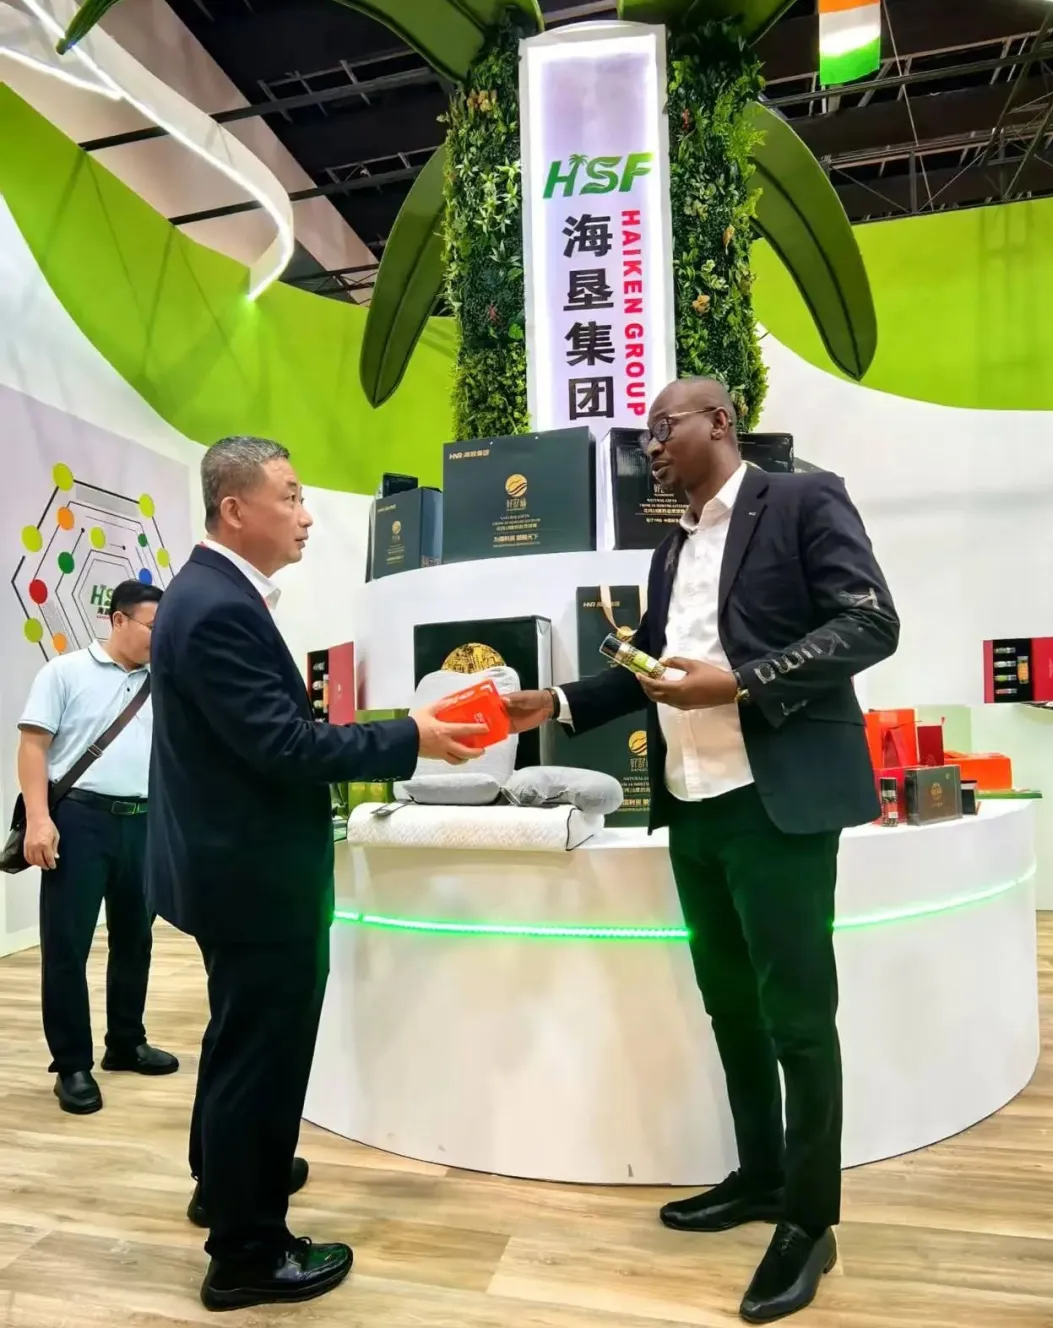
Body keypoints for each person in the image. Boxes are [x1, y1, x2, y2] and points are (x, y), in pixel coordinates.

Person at [505, 378, 899, 1325]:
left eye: (663, 427)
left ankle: (810, 1220)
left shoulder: (803, 499)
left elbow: (871, 621)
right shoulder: (671, 546)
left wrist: (744, 681)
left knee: (798, 1019)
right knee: (732, 1009)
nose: (650, 446)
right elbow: (646, 658)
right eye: (645, 433)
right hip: (691, 806)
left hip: (777, 804)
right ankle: (761, 1176)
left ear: (719, 422)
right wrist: (557, 703)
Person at [148, 436, 484, 1313]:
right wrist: (413, 736)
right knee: (262, 1058)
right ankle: (248, 1254)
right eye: (291, 497)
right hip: (256, 881)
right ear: (235, 509)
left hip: (234, 871)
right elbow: (285, 745)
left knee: (239, 1042)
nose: (306, 516)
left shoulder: (208, 594)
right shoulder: (217, 607)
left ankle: (226, 1183)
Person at [17, 579, 178, 1116]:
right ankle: (71, 1065)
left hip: (145, 822)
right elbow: (33, 747)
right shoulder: (64, 673)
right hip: (79, 821)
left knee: (135, 939)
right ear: (118, 620)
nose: (161, 637)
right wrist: (39, 819)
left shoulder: (164, 680)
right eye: (154, 627)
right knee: (68, 946)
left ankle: (126, 1042)